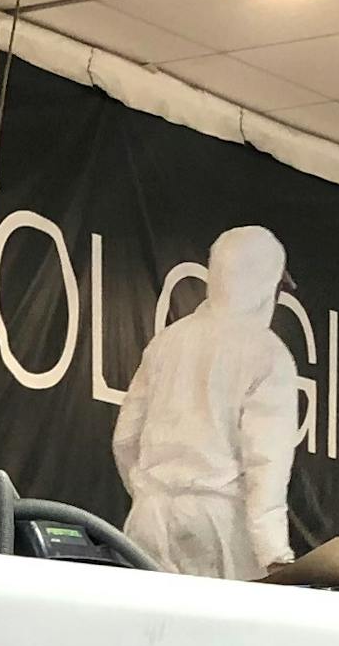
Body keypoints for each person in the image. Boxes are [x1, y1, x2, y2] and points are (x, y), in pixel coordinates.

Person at [109, 224, 302, 580]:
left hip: (147, 522)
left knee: (149, 633)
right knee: (221, 634)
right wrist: (275, 554)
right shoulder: (268, 354)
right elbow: (267, 464)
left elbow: (125, 440)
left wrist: (149, 492)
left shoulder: (167, 342)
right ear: (264, 286)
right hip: (219, 526)